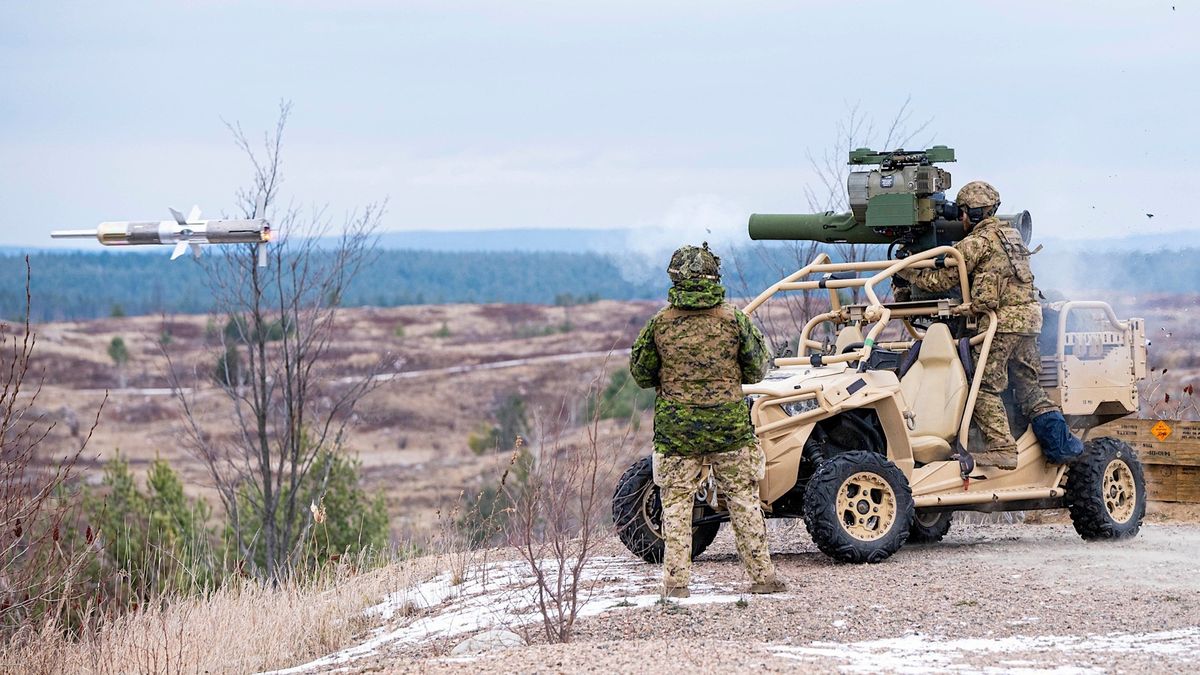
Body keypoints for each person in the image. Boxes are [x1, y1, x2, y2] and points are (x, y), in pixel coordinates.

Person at [629, 243, 785, 598]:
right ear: (715, 277)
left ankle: (676, 585)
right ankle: (763, 578)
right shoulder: (734, 320)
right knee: (744, 499)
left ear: (675, 278)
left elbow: (640, 373)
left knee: (676, 504)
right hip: (729, 428)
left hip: (676, 432)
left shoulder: (659, 324)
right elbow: (758, 367)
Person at [897, 181, 1081, 469]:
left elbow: (940, 281)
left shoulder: (975, 243)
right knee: (1029, 387)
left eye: (963, 213)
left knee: (982, 386)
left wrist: (906, 272)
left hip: (1001, 323)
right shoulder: (1013, 237)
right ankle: (1062, 447)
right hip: (1028, 321)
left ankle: (1002, 448)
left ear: (968, 213)